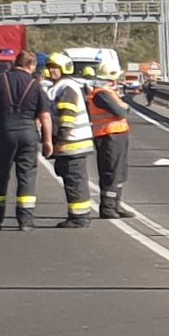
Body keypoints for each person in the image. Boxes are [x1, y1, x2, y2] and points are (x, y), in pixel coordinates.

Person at [0, 50, 52, 230]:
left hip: (5, 132)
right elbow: (45, 116)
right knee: (26, 176)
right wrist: (47, 141)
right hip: (28, 134)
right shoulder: (35, 85)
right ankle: (25, 221)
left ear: (15, 63)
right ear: (32, 66)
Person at [42, 53, 99, 227]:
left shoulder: (66, 87)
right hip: (72, 143)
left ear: (64, 69)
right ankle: (77, 215)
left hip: (72, 143)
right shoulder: (59, 87)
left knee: (75, 180)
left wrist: (60, 142)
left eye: (55, 67)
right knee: (72, 179)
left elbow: (67, 118)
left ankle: (80, 217)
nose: (52, 71)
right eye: (50, 67)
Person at [87, 70, 134, 218]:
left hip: (118, 134)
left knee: (120, 171)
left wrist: (124, 107)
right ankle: (107, 207)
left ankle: (116, 204)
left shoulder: (108, 93)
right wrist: (123, 107)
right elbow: (121, 112)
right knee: (111, 171)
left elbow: (125, 110)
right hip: (108, 135)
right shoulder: (101, 94)